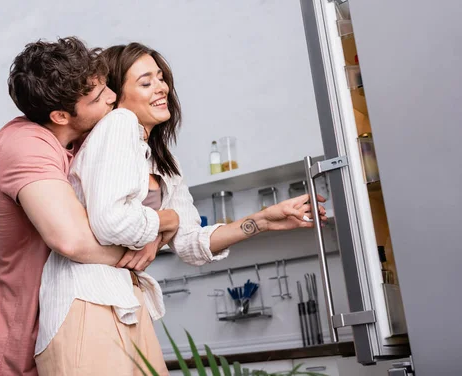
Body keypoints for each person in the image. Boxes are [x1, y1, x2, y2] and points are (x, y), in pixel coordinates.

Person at [34, 42, 327, 376]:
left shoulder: (162, 161)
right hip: (86, 300)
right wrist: (165, 220)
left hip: (124, 300)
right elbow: (110, 222)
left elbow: (189, 243)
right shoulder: (119, 124)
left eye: (160, 78)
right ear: (116, 95)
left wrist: (261, 221)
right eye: (145, 82)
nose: (161, 87)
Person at [0, 37, 146, 376]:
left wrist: (154, 229)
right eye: (99, 98)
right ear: (59, 115)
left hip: (81, 322)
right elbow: (71, 240)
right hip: (27, 344)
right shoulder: (23, 144)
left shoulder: (78, 138)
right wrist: (140, 248)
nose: (113, 98)